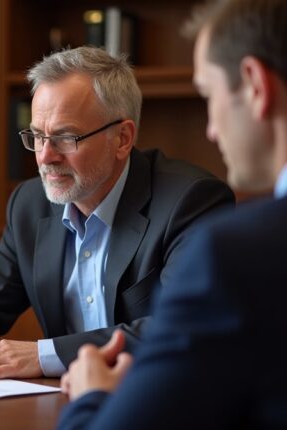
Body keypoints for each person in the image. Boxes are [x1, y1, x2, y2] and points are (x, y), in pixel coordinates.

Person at [0, 46, 235, 380]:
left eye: (65, 137)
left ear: (122, 138)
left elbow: (184, 326)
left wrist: (44, 355)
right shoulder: (30, 203)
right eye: (37, 136)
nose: (45, 157)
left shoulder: (190, 201)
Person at [57, 0, 287, 428]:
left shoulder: (234, 253)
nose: (211, 130)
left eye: (209, 95)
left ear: (255, 86)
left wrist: (91, 396)